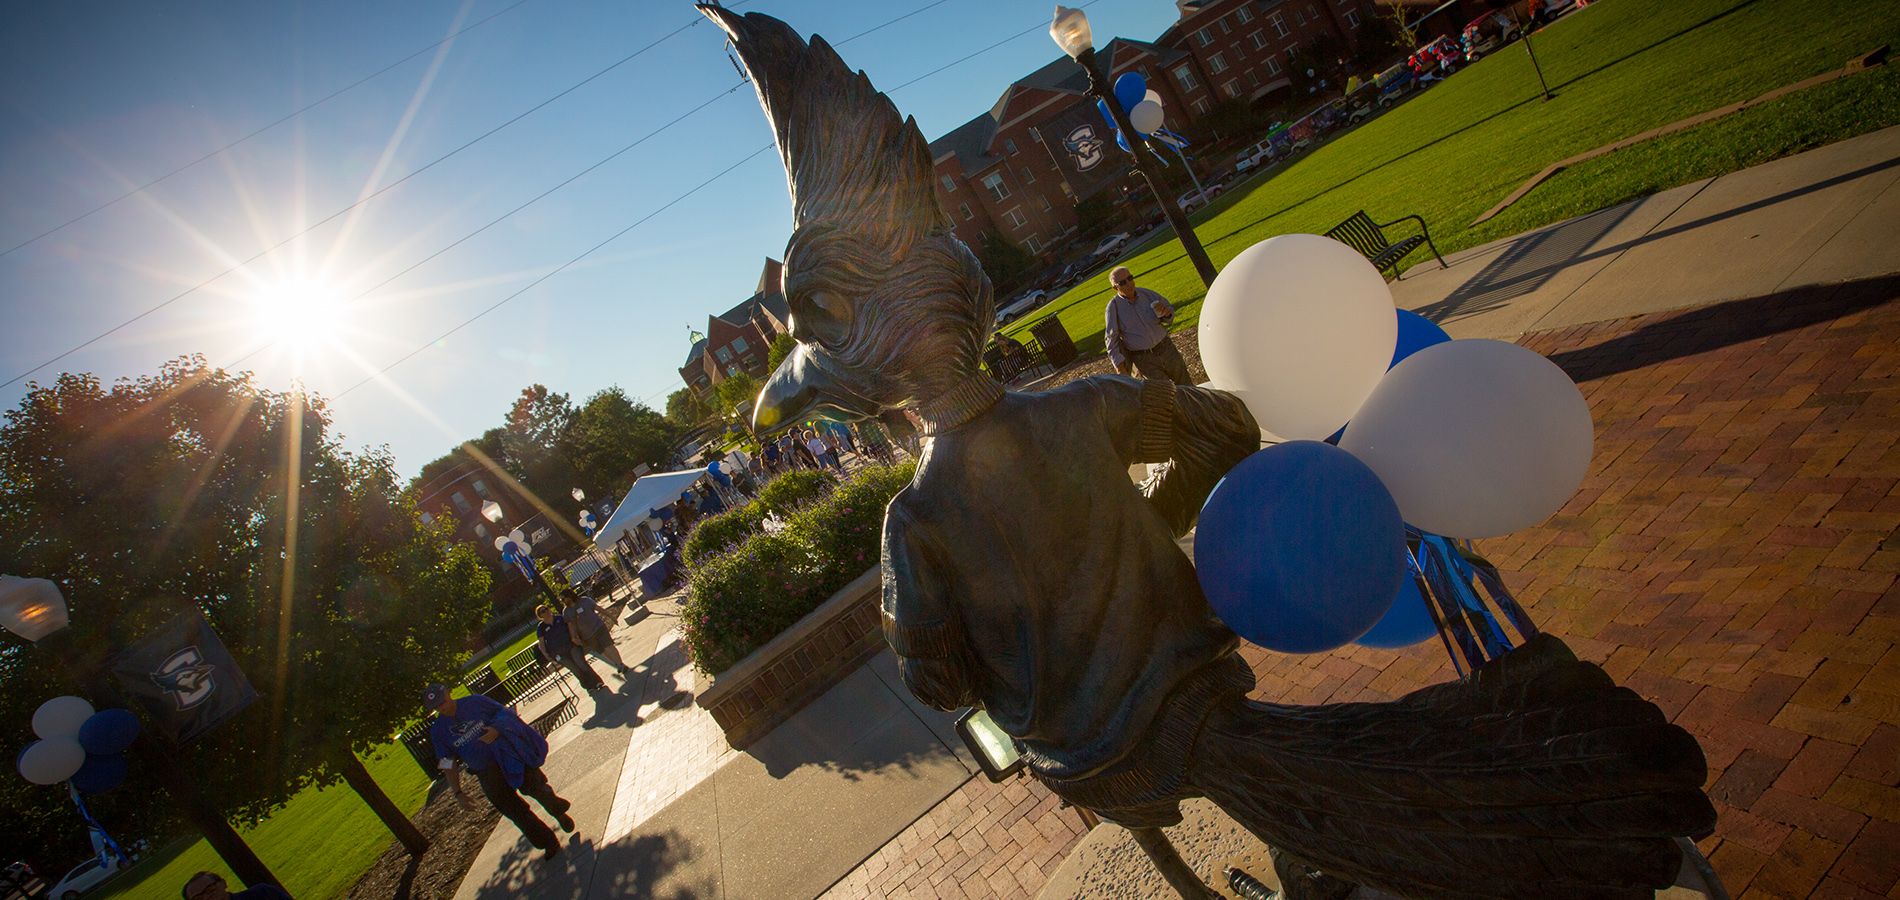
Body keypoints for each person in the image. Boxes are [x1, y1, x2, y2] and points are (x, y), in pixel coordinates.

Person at [423, 683, 575, 861]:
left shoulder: (475, 702)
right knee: (513, 810)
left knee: (536, 787)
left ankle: (558, 811)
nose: (443, 707)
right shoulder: (438, 730)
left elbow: (505, 712)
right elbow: (447, 762)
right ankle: (548, 843)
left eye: (444, 701)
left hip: (508, 754)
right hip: (486, 771)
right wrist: (458, 793)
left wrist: (497, 729)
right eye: (437, 707)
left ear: (448, 693)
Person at [1103, 266, 1193, 385]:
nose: (1129, 283)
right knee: (1165, 393)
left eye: (1130, 278)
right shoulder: (1113, 308)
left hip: (1167, 348)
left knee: (1186, 385)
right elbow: (1111, 340)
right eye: (1123, 282)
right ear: (1115, 288)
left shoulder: (1147, 294)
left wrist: (1167, 313)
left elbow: (1169, 312)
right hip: (1144, 359)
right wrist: (1120, 368)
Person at [535, 605, 606, 691]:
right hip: (558, 652)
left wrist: (575, 638)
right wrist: (545, 653)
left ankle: (597, 682)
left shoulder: (560, 618)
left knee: (581, 664)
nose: (546, 611)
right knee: (575, 669)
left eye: (546, 608)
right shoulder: (541, 628)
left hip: (571, 645)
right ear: (540, 616)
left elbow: (571, 628)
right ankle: (588, 686)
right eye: (543, 611)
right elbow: (541, 643)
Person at [561, 590, 629, 675]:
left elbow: (598, 608)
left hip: (598, 627)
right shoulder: (566, 612)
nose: (562, 601)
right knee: (602, 650)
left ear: (569, 596)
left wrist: (611, 616)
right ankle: (617, 663)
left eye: (563, 599)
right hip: (587, 635)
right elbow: (570, 626)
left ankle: (621, 664)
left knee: (608, 646)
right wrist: (573, 637)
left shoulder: (585, 600)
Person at [181, 872, 288, 900]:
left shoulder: (262, 894)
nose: (206, 898)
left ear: (223, 883)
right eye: (197, 899)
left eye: (209, 889)